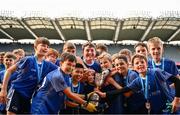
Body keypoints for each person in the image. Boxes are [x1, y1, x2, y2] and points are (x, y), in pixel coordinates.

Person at [96, 54, 180, 114]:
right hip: (154, 108)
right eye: (137, 63)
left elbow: (177, 80)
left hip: (168, 106)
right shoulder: (138, 80)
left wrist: (176, 100)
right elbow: (124, 89)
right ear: (133, 66)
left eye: (142, 62)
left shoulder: (156, 72)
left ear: (146, 64)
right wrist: (105, 94)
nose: (140, 64)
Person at [0, 37, 58, 114]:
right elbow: (9, 71)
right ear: (35, 47)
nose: (45, 48)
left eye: (47, 46)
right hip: (17, 93)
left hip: (30, 96)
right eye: (43, 45)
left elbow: (62, 70)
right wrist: (3, 90)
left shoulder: (48, 65)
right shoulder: (28, 59)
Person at [31, 52, 96, 114]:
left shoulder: (66, 75)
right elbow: (69, 94)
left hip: (52, 107)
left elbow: (66, 98)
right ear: (61, 63)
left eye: (73, 66)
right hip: (41, 107)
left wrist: (85, 98)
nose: (71, 67)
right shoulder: (57, 76)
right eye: (68, 64)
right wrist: (85, 103)